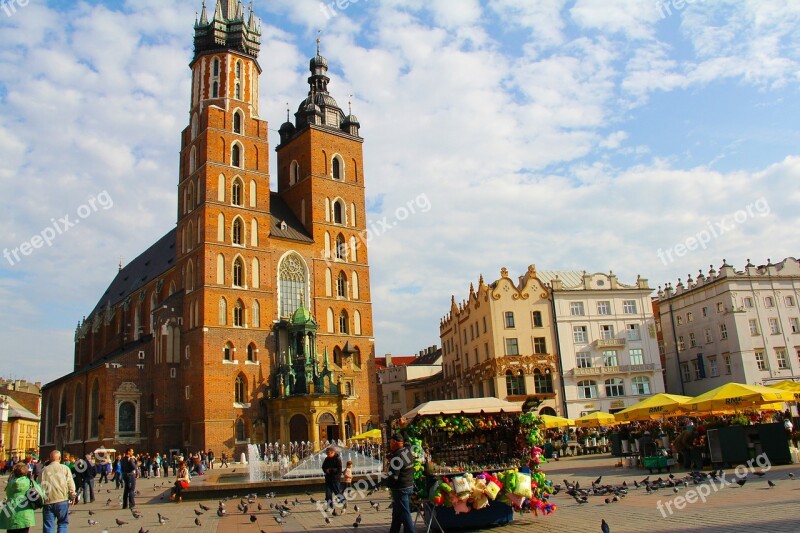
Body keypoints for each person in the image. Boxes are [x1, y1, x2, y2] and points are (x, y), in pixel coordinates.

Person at [41, 450, 76, 533]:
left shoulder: (43, 471)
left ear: (50, 459)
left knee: (48, 526)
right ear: (60, 458)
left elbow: (39, 486)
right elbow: (70, 484)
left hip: (48, 501)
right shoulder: (65, 468)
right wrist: (73, 496)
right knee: (62, 523)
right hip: (61, 500)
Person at [386, 433, 415, 533]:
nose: (389, 444)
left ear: (394, 442)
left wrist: (386, 483)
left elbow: (394, 477)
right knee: (397, 515)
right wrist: (403, 428)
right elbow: (407, 440)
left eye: (390, 442)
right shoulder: (408, 450)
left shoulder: (397, 456)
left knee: (405, 514)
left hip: (400, 489)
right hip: (409, 486)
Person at [0, 462, 38, 532]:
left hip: (11, 512)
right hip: (25, 513)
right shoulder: (29, 482)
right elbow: (40, 493)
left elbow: (8, 494)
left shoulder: (10, 483)